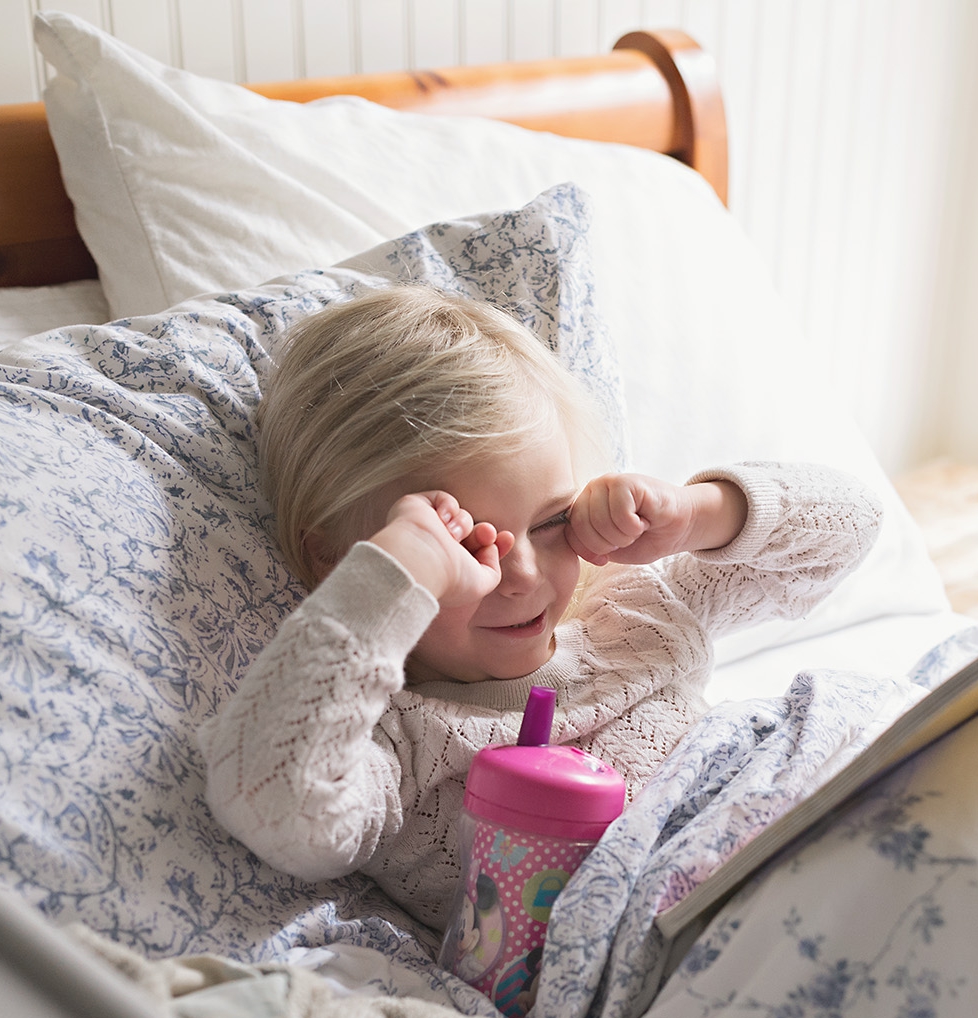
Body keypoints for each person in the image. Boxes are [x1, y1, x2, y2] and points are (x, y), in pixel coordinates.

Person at [201, 284, 885, 952]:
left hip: (822, 816)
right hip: (712, 942)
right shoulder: (396, 746)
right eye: (468, 544)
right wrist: (396, 570)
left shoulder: (630, 608)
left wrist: (696, 515)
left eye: (552, 521)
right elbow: (269, 803)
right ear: (341, 560)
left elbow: (852, 525)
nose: (525, 576)